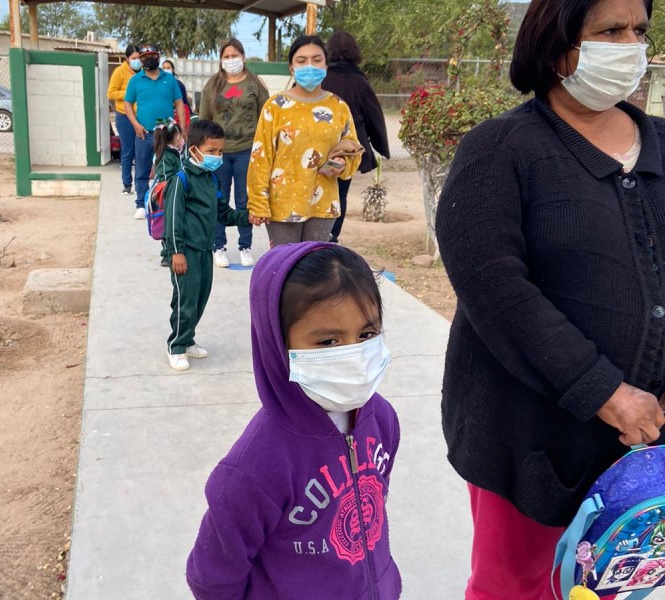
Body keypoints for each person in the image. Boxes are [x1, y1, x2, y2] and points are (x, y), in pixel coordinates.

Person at [434, 0, 665, 598]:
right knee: (517, 587)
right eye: (610, 31)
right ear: (557, 45)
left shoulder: (660, 143)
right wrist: (607, 395)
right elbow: (495, 289)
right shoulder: (500, 150)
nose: (630, 45)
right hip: (531, 442)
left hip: (649, 443)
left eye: (638, 30)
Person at [186, 242, 401, 599]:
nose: (355, 355)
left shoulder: (383, 420)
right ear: (277, 343)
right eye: (329, 341)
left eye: (366, 335)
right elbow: (212, 578)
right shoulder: (253, 470)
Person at [163, 119, 261, 371]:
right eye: (211, 151)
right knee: (185, 299)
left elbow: (223, 212)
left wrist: (246, 217)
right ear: (194, 149)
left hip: (206, 251)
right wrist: (177, 252)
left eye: (220, 151)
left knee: (200, 298)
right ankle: (176, 345)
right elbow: (172, 219)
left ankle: (188, 339)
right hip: (187, 253)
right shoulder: (181, 180)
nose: (217, 156)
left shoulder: (210, 180)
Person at [247, 35, 363, 247]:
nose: (310, 65)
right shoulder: (276, 106)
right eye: (301, 60)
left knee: (314, 269)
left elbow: (354, 149)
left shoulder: (339, 107)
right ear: (291, 68)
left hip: (324, 205)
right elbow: (260, 157)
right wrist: (258, 203)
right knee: (284, 267)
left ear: (326, 66)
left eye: (316, 59)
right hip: (281, 206)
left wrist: (344, 166)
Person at [199, 37, 270, 268]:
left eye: (234, 56)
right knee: (218, 199)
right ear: (221, 60)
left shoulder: (255, 84)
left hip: (246, 150)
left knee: (243, 200)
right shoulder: (213, 85)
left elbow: (266, 117)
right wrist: (202, 150)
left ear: (243, 57)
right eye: (226, 57)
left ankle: (245, 246)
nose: (231, 60)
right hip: (218, 154)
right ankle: (218, 246)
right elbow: (204, 120)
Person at [322, 31, 391, 244]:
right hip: (346, 149)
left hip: (318, 146)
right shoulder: (359, 81)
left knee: (316, 191)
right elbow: (374, 115)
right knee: (340, 194)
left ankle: (312, 238)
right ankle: (332, 238)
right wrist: (381, 147)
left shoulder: (321, 77)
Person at [124, 44, 187, 220]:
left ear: (158, 56)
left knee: (167, 169)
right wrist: (135, 124)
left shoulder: (169, 79)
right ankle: (141, 205)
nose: (148, 59)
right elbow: (127, 104)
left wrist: (182, 128)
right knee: (143, 170)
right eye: (144, 57)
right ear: (140, 59)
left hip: (167, 134)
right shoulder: (136, 80)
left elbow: (179, 102)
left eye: (152, 55)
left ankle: (165, 202)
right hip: (144, 133)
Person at [107, 44, 140, 195]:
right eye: (134, 58)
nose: (137, 61)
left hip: (141, 117)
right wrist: (129, 93)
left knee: (141, 150)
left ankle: (141, 183)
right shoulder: (119, 72)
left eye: (139, 58)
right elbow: (111, 93)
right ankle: (127, 184)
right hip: (124, 115)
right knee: (128, 150)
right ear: (127, 59)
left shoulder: (143, 73)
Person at [153, 119, 184, 267]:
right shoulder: (166, 155)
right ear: (176, 137)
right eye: (180, 135)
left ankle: (173, 250)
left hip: (175, 192)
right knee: (168, 223)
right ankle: (166, 254)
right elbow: (166, 178)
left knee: (175, 222)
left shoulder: (175, 153)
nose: (182, 139)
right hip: (168, 194)